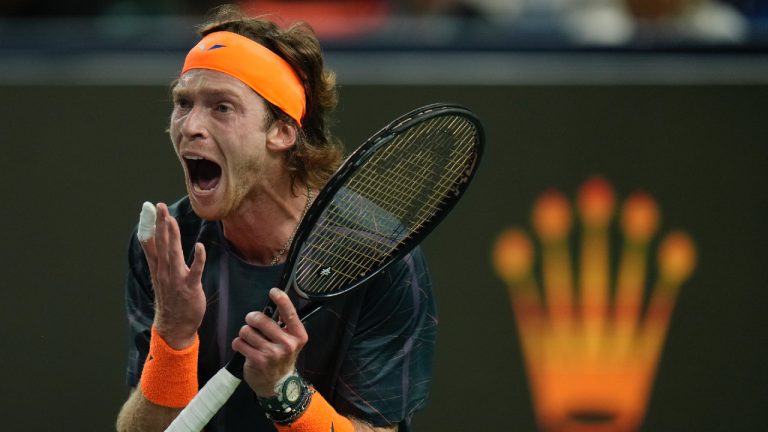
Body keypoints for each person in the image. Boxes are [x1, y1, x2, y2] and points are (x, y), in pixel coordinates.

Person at [115, 5, 437, 432]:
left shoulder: (378, 254)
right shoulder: (168, 246)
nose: (189, 125)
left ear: (282, 130)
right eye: (183, 103)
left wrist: (286, 393)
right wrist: (173, 340)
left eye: (221, 107)